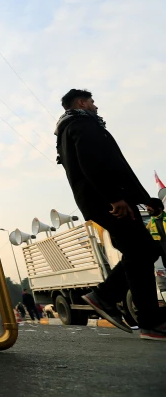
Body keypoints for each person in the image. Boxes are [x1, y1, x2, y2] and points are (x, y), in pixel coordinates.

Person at [55, 88, 166, 340]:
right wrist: (114, 198)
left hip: (108, 199)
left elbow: (115, 167)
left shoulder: (72, 128)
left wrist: (144, 198)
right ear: (82, 102)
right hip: (109, 201)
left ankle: (131, 311)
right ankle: (120, 306)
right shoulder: (82, 124)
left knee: (142, 251)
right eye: (92, 101)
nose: (95, 105)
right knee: (142, 251)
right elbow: (93, 164)